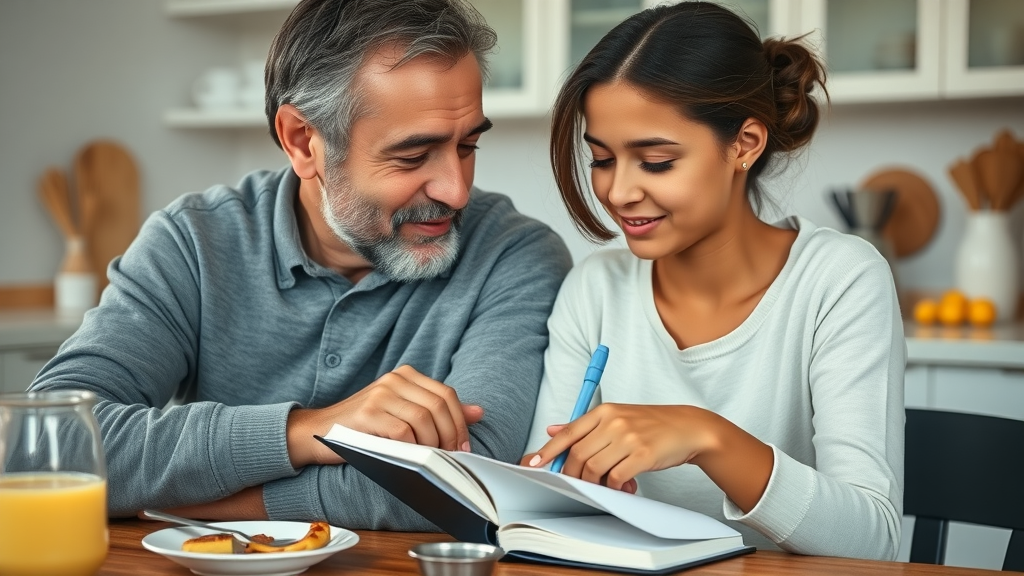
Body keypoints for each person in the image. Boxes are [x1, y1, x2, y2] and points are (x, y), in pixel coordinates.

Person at [30, 0, 572, 530]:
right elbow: (43, 445)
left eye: (469, 145)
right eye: (412, 156)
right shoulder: (193, 242)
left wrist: (204, 501)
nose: (456, 190)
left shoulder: (514, 256)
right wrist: (307, 430)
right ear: (302, 141)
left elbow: (470, 481)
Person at [522, 1, 904, 561]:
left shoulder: (840, 280)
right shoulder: (595, 289)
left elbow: (873, 542)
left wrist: (707, 437)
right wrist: (575, 496)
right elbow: (538, 497)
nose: (619, 192)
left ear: (744, 144)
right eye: (602, 158)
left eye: (655, 162)